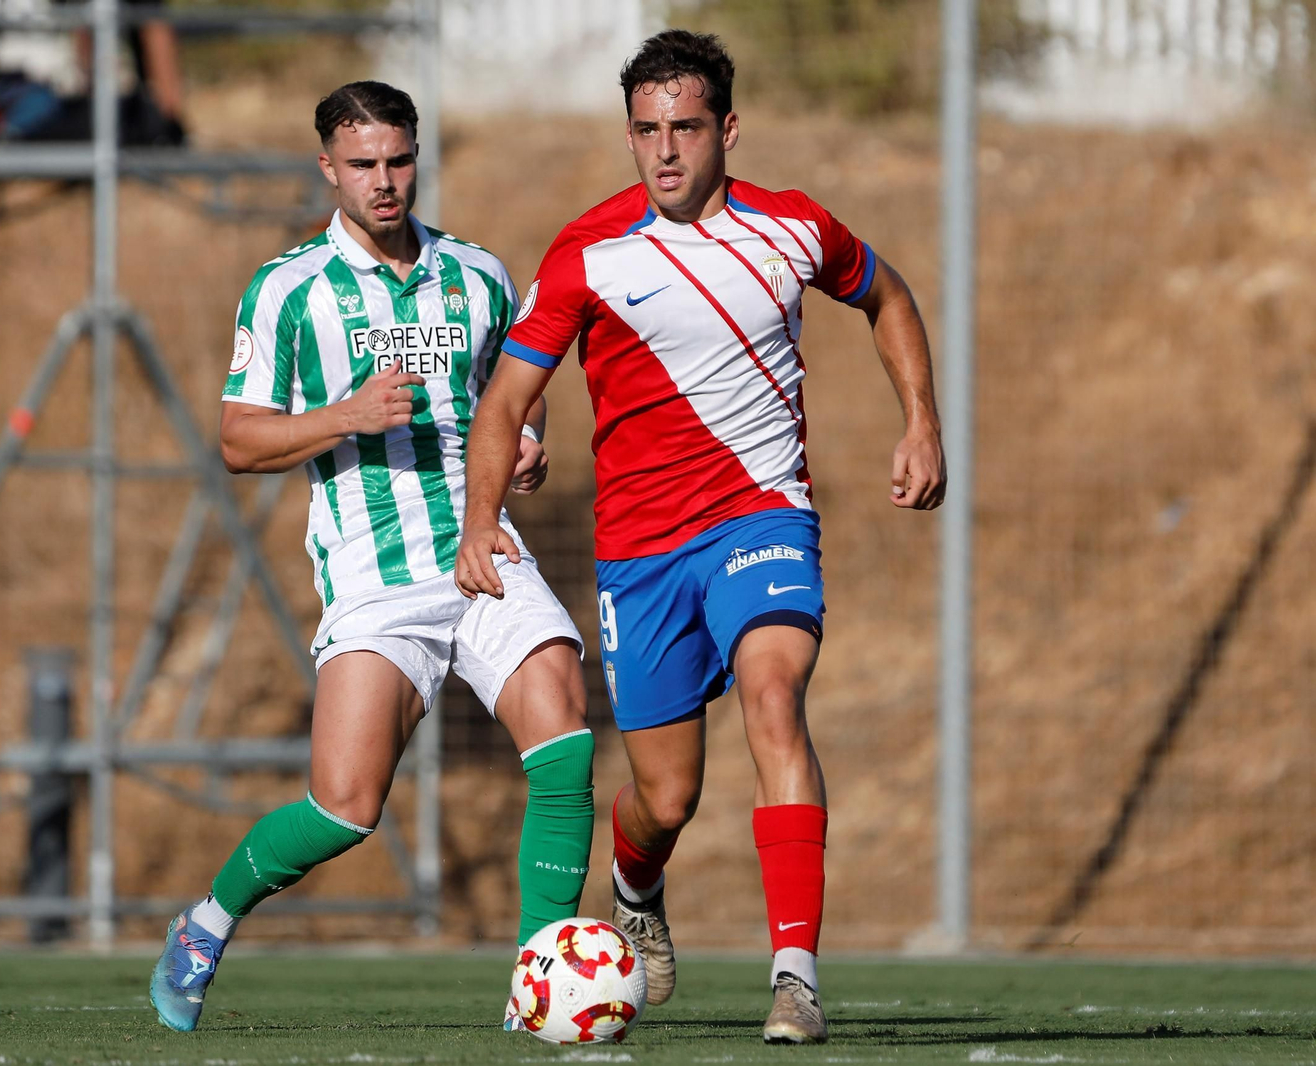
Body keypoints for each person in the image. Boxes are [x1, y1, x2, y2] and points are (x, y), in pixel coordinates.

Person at [455, 30, 946, 1046]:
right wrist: (477, 522)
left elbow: (886, 295)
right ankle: (636, 885)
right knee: (664, 795)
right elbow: (506, 399)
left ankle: (794, 978)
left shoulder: (794, 228)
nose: (666, 151)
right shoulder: (588, 250)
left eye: (685, 128)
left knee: (775, 698)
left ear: (726, 128)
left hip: (762, 517)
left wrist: (920, 421)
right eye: (646, 131)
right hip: (639, 555)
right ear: (628, 136)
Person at [149, 81, 593, 1034]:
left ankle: (537, 990)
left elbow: (515, 393)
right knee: (346, 808)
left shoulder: (476, 274)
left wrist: (525, 443)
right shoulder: (288, 290)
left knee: (563, 733)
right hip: (373, 579)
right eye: (363, 166)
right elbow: (237, 439)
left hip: (481, 550)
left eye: (398, 161)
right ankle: (206, 922)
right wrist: (343, 417)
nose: (384, 183)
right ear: (328, 168)